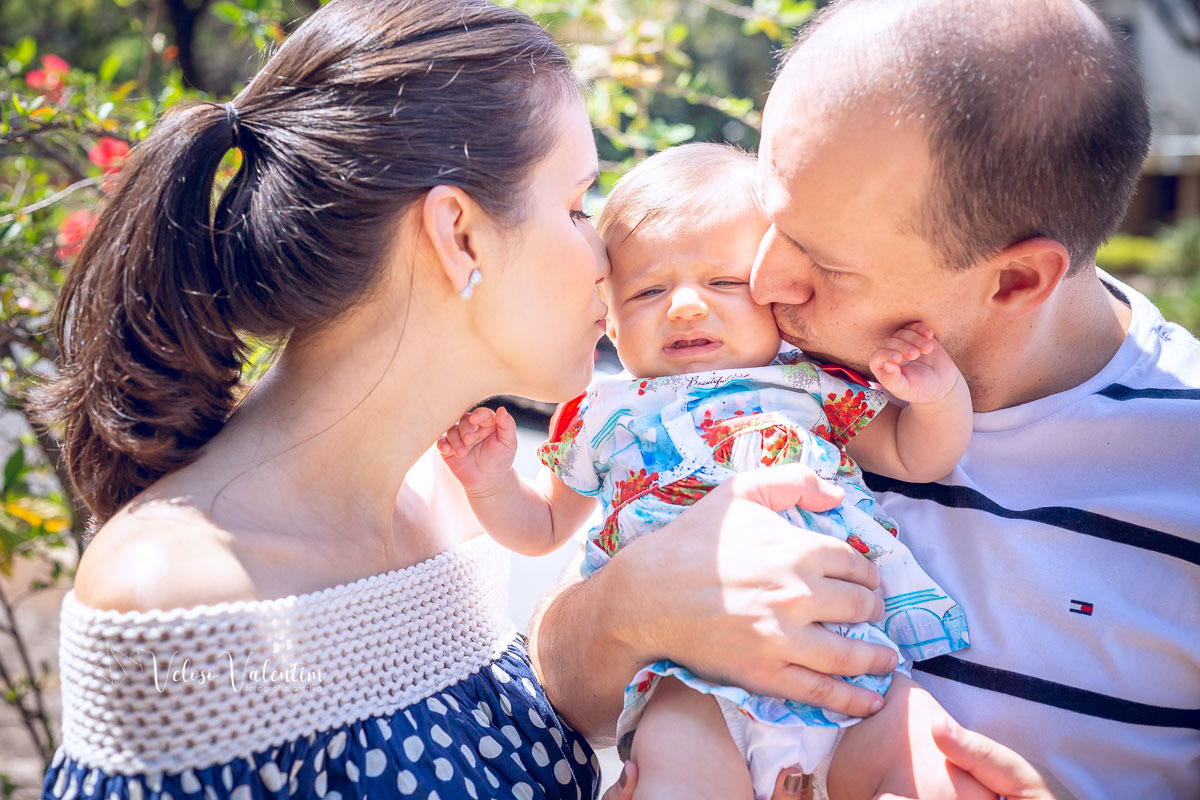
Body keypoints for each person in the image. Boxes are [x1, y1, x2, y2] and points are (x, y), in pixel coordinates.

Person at [529, 1, 1200, 798]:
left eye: (825, 261)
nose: (764, 281)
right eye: (770, 218)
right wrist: (630, 606)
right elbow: (566, 680)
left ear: (1015, 280)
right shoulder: (742, 384)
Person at [37, 1, 633, 798]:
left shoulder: (446, 502)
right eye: (575, 206)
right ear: (459, 236)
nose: (605, 256)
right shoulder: (175, 596)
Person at [439, 143, 974, 799]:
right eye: (649, 289)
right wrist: (492, 480)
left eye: (724, 282)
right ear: (607, 314)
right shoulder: (603, 413)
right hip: (688, 677)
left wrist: (937, 395)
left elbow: (918, 453)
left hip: (846, 654)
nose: (686, 306)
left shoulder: (808, 382)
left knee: (935, 759)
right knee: (676, 773)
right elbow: (544, 526)